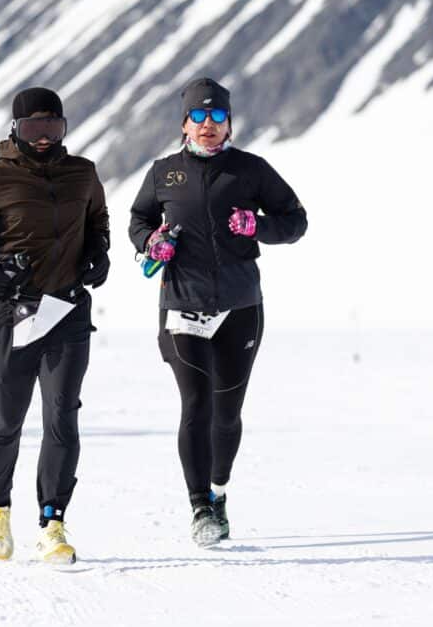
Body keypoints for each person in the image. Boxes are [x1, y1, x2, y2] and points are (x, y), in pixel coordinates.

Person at [128, 77, 307, 547]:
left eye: (218, 116)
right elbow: (138, 220)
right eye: (199, 116)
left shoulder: (251, 170)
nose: (208, 124)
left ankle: (219, 490)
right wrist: (151, 241)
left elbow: (295, 221)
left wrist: (257, 226)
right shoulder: (164, 173)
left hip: (239, 307)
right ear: (184, 124)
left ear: (230, 124)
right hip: (181, 306)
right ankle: (200, 506)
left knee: (226, 413)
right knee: (196, 404)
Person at [0, 87, 110, 565]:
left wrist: (98, 254)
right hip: (11, 314)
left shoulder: (83, 173)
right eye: (34, 128)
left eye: (53, 128)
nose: (44, 138)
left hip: (67, 310)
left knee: (62, 415)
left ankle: (52, 523)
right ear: (15, 129)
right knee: (7, 416)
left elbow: (98, 221)